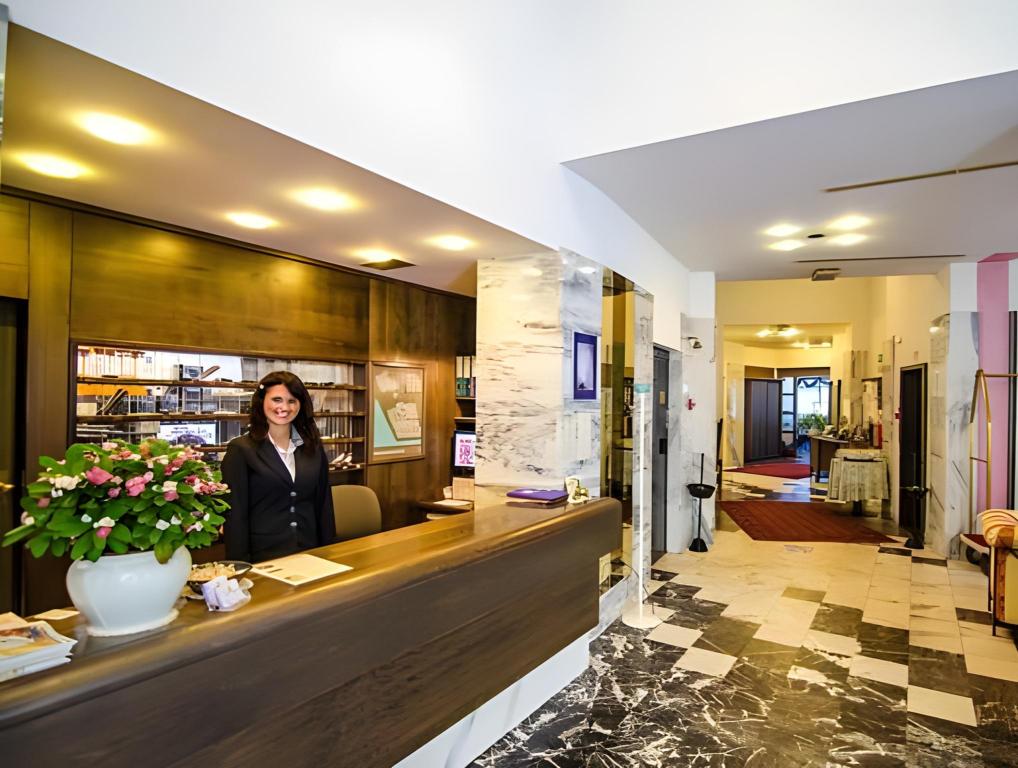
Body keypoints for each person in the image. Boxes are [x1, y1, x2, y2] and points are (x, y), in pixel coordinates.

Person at [221, 371, 336, 562]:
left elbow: (324, 505)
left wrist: (329, 553)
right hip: (264, 557)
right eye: (277, 399)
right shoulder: (241, 449)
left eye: (292, 401)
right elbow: (235, 516)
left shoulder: (313, 447)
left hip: (310, 553)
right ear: (261, 401)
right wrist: (239, 565)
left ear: (300, 404)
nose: (284, 407)